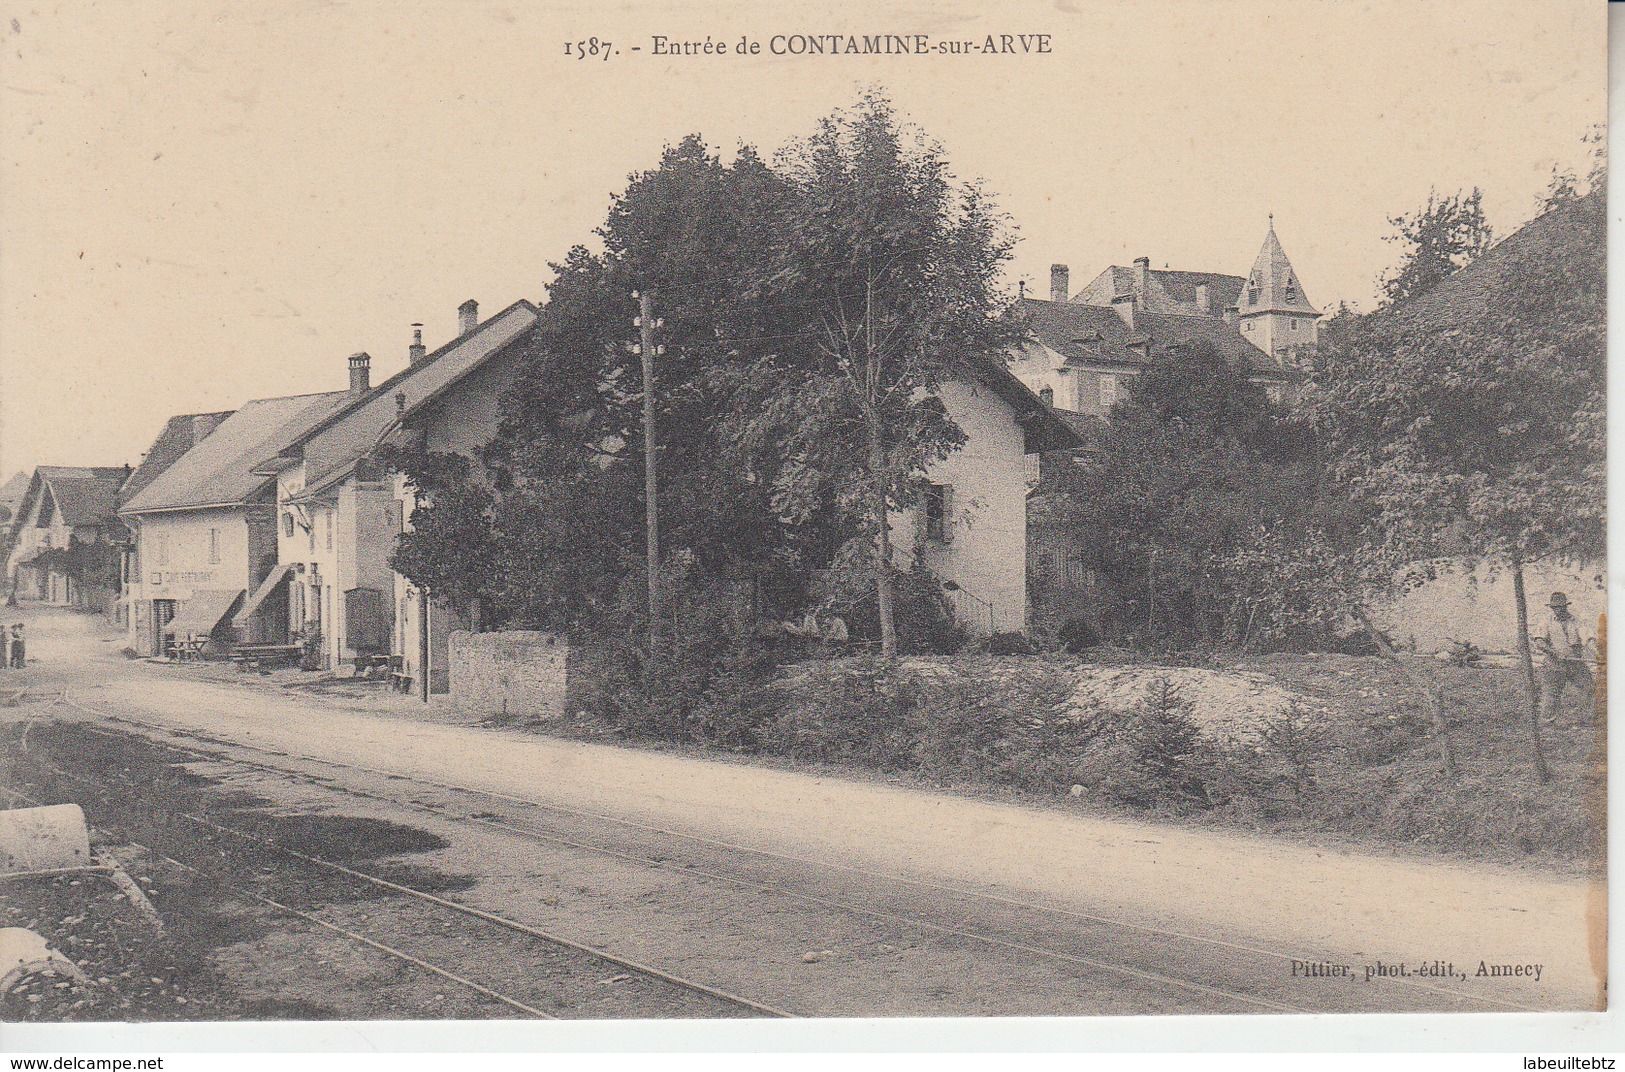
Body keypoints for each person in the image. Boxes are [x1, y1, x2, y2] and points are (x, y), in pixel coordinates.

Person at [1535, 592, 1592, 725]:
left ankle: (1579, 719)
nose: (1558, 610)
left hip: (1575, 663)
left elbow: (1588, 638)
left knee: (1588, 687)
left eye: (1561, 607)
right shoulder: (1546, 622)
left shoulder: (1575, 621)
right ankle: (1548, 722)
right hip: (1554, 663)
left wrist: (1596, 649)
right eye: (1555, 607)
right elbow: (1539, 642)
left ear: (1566, 606)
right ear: (1551, 608)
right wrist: (1554, 652)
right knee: (1551, 693)